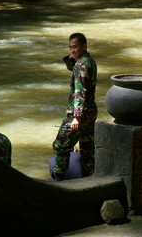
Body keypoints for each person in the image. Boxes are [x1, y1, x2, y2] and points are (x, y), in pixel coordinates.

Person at [52, 32, 97, 181]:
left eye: (75, 47)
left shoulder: (81, 66)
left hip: (78, 114)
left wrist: (76, 117)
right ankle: (89, 180)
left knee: (60, 145)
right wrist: (71, 58)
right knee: (87, 149)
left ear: (84, 46)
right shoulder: (88, 61)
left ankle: (59, 181)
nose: (72, 50)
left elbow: (80, 91)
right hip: (90, 112)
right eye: (70, 47)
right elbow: (74, 70)